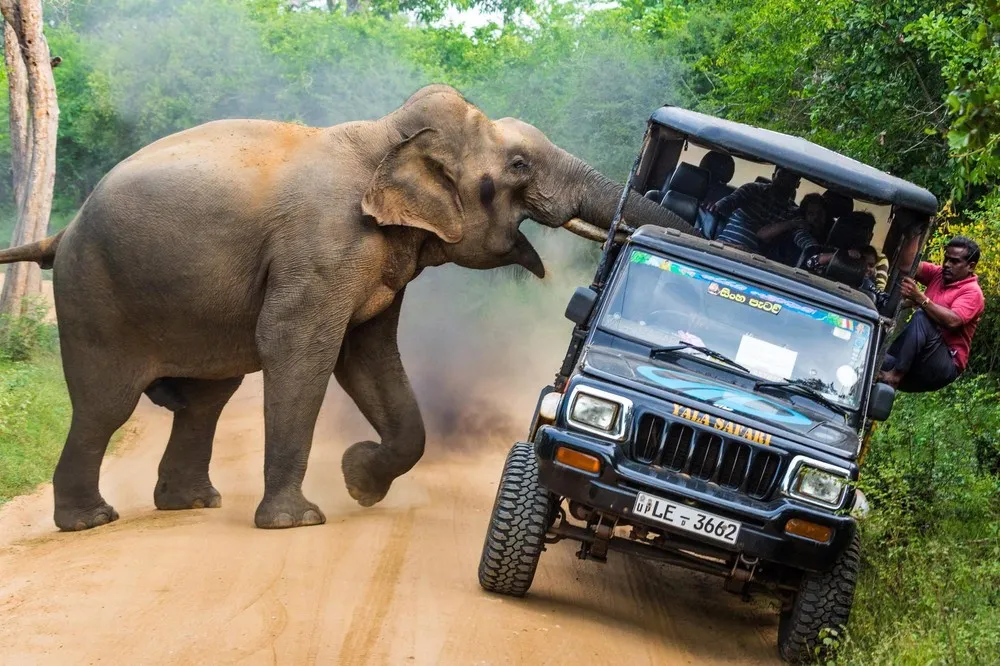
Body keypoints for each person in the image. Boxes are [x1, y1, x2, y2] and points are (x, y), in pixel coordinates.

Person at [879, 236, 985, 392]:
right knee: (873, 363)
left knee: (922, 316)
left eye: (954, 261)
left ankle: (895, 376)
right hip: (917, 357)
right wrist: (915, 231)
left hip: (943, 364)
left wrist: (920, 298)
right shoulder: (938, 275)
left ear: (971, 266)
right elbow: (907, 265)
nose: (947, 265)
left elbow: (953, 321)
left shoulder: (972, 292)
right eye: (946, 259)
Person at [708, 167, 803, 253]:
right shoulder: (753, 189)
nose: (785, 181)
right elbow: (731, 200)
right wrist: (717, 205)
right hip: (723, 245)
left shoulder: (793, 214)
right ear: (773, 176)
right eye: (782, 175)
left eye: (791, 179)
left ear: (797, 184)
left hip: (753, 259)